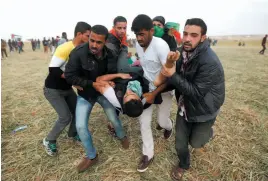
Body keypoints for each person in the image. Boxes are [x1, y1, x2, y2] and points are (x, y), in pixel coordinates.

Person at [160, 18, 225, 181]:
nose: (187, 39)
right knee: (180, 144)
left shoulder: (209, 61)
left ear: (203, 37)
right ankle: (183, 164)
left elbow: (195, 92)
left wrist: (172, 76)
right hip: (185, 106)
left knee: (196, 143)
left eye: (194, 35)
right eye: (185, 33)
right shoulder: (181, 52)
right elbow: (176, 79)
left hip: (205, 108)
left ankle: (208, 133)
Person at [64, 25, 129, 173]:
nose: (94, 45)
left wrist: (111, 82)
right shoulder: (78, 53)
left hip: (102, 93)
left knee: (113, 118)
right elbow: (69, 75)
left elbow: (113, 73)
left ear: (105, 42)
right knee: (80, 126)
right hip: (85, 95)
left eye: (98, 42)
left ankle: (122, 136)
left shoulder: (111, 54)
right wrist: (90, 84)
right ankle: (92, 156)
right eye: (91, 40)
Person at [131, 14, 175, 172]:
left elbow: (170, 77)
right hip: (147, 88)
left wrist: (155, 92)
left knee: (162, 122)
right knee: (144, 122)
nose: (139, 38)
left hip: (164, 89)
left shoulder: (161, 46)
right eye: (136, 34)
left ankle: (169, 126)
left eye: (142, 34)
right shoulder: (138, 45)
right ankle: (148, 154)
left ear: (151, 31)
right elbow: (144, 67)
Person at [42, 22, 92, 156]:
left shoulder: (83, 49)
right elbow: (53, 69)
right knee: (65, 117)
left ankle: (73, 133)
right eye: (88, 36)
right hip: (53, 89)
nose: (90, 38)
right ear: (79, 34)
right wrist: (72, 79)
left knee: (78, 111)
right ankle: (49, 139)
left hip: (67, 89)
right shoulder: (65, 48)